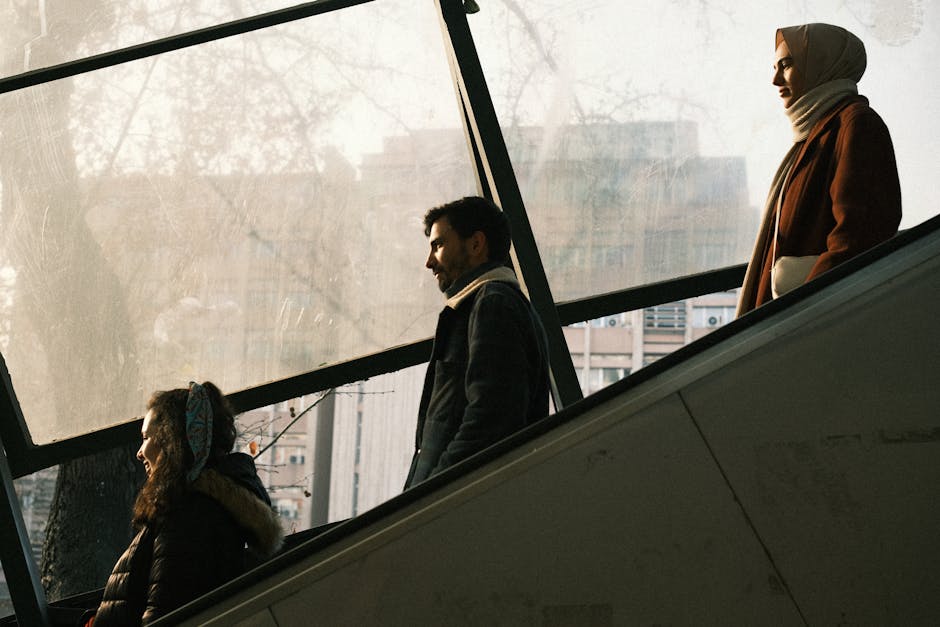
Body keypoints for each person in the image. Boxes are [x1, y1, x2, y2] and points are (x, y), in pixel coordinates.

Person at [736, 23, 902, 316]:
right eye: (774, 67)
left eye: (786, 65)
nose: (775, 80)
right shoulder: (814, 133)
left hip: (807, 322)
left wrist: (803, 307)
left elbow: (858, 241)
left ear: (823, 64)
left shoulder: (855, 125)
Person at [87, 381, 283, 626]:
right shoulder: (204, 508)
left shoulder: (189, 516)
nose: (139, 452)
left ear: (173, 441)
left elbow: (163, 614)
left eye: (146, 438)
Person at [404, 196, 551, 489]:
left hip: (449, 508)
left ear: (475, 244)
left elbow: (490, 419)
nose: (429, 262)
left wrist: (427, 494)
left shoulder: (493, 305)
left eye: (438, 245)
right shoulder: (489, 305)